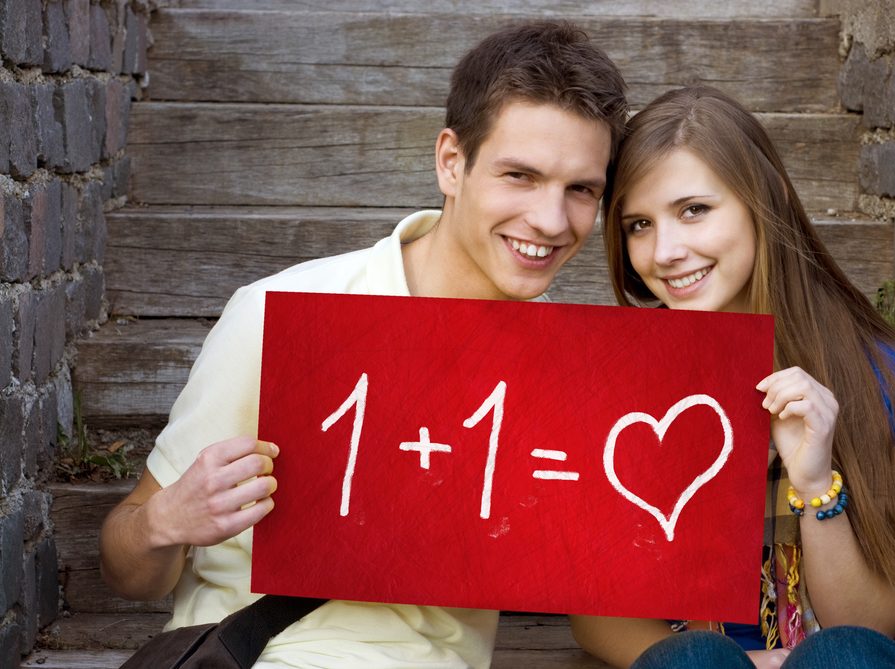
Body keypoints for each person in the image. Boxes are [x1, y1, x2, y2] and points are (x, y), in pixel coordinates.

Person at [99, 21, 628, 669]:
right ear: (450, 162)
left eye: (581, 189)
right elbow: (127, 568)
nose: (550, 221)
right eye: (519, 175)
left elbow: (603, 602)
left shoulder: (567, 362)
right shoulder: (283, 313)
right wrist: (164, 523)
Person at [569, 86, 895, 669]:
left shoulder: (893, 386)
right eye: (639, 224)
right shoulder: (619, 376)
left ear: (761, 201)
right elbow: (597, 620)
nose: (665, 251)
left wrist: (816, 481)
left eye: (693, 209)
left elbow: (870, 628)